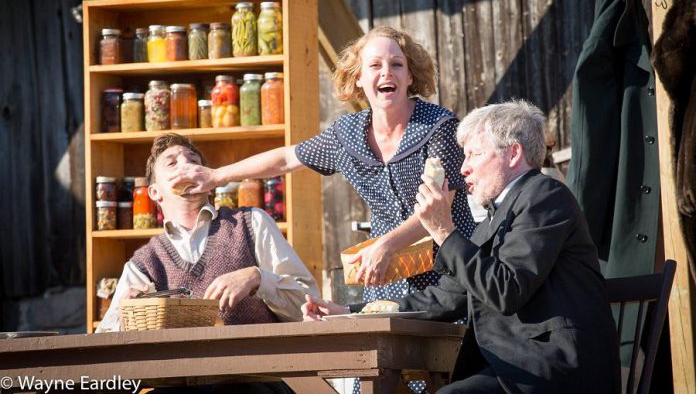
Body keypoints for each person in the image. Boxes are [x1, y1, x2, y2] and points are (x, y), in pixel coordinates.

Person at [304, 101, 622, 393]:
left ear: (513, 154)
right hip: (515, 369)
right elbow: (445, 297)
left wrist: (444, 230)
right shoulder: (499, 215)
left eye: (474, 154)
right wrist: (348, 313)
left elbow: (505, 290)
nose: (463, 168)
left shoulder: (545, 197)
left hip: (553, 369)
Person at [168, 26, 476, 304]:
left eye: (397, 64)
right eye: (375, 65)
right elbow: (287, 159)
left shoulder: (438, 127)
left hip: (451, 271)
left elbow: (440, 206)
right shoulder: (347, 136)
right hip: (386, 279)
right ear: (359, 78)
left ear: (410, 77)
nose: (387, 72)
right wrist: (217, 176)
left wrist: (385, 245)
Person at [97, 133, 319, 334]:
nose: (186, 166)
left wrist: (258, 278)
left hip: (261, 376)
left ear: (209, 182)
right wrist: (126, 318)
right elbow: (105, 342)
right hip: (181, 377)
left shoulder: (251, 224)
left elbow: (310, 309)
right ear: (154, 193)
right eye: (172, 163)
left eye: (193, 161)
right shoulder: (145, 263)